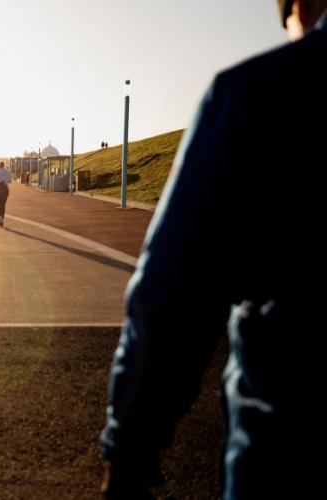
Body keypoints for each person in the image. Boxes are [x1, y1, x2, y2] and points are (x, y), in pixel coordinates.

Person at [100, 1, 327, 499]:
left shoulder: (258, 97)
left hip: (292, 453)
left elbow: (175, 293)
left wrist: (130, 447)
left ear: (301, 6)